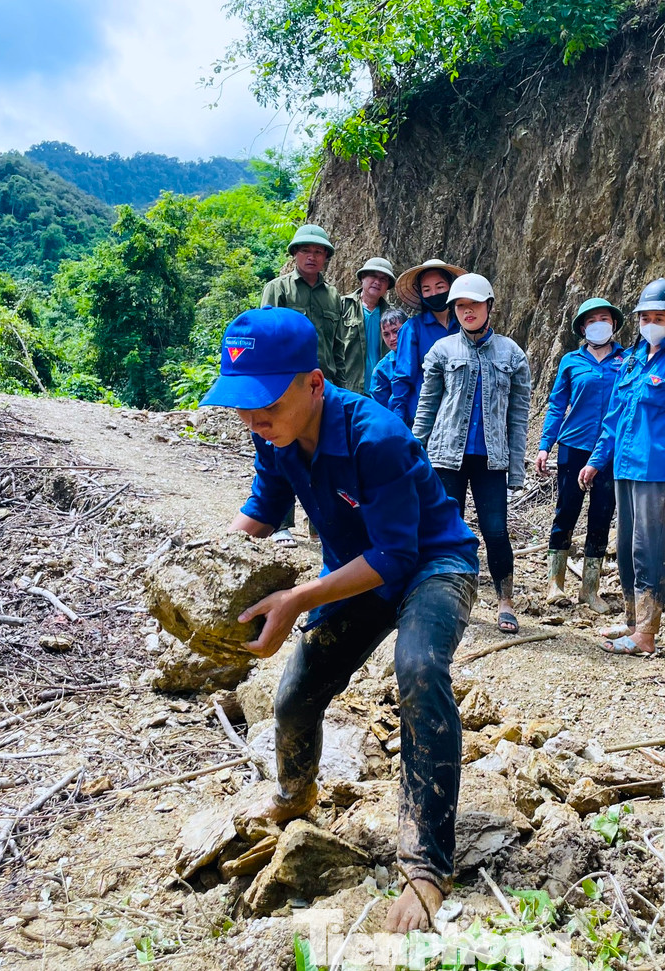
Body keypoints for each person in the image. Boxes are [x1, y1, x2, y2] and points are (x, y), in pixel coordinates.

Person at [202, 306, 480, 934]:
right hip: (359, 570)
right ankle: (294, 793)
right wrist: (204, 573)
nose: (253, 416)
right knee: (296, 693)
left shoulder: (373, 436)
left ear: (315, 383)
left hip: (433, 564)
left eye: (266, 399)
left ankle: (427, 866)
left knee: (418, 668)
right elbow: (263, 508)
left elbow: (398, 554)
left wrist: (298, 598)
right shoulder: (273, 434)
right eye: (242, 403)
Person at [580, 279, 665, 657]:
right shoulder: (632, 361)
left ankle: (647, 634)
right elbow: (615, 417)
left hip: (655, 467)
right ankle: (634, 621)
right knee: (628, 546)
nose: (651, 323)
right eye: (645, 317)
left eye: (659, 317)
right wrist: (597, 459)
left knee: (648, 549)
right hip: (624, 466)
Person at [413, 273, 531, 634]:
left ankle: (505, 601)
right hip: (446, 455)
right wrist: (414, 452)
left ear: (489, 307)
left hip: (491, 459)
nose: (468, 312)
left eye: (474, 306)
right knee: (448, 529)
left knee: (495, 531)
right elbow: (427, 406)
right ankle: (446, 598)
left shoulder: (512, 354)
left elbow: (518, 416)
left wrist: (516, 467)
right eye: (461, 307)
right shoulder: (442, 351)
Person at [535, 298, 627, 613]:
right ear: (582, 327)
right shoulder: (570, 362)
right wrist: (545, 445)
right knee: (566, 511)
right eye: (592, 320)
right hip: (574, 446)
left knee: (601, 515)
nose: (599, 323)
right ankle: (554, 583)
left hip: (611, 452)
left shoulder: (626, 361)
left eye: (604, 318)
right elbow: (557, 404)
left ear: (614, 325)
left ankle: (590, 590)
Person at [259, 224, 342, 546]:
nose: (312, 256)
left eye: (319, 252)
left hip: (321, 386)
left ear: (325, 259)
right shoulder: (277, 289)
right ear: (295, 254)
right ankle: (280, 522)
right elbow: (266, 333)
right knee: (282, 449)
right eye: (306, 250)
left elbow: (339, 344)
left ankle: (319, 523)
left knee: (324, 454)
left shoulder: (333, 296)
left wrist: (339, 383)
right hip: (286, 384)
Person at [387, 258, 467, 426]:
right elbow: (402, 377)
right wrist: (398, 420)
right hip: (424, 416)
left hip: (462, 415)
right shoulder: (412, 329)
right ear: (420, 293)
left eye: (440, 287)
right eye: (427, 289)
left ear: (450, 287)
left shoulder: (465, 325)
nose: (434, 294)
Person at [334, 257, 397, 394]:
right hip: (348, 389)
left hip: (382, 390)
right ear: (362, 277)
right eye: (373, 276)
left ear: (387, 286)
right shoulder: (341, 306)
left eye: (383, 279)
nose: (377, 282)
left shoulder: (392, 316)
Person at [369, 308, 407, 409]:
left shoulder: (424, 355)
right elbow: (381, 410)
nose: (392, 338)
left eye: (396, 331)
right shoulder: (382, 370)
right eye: (386, 334)